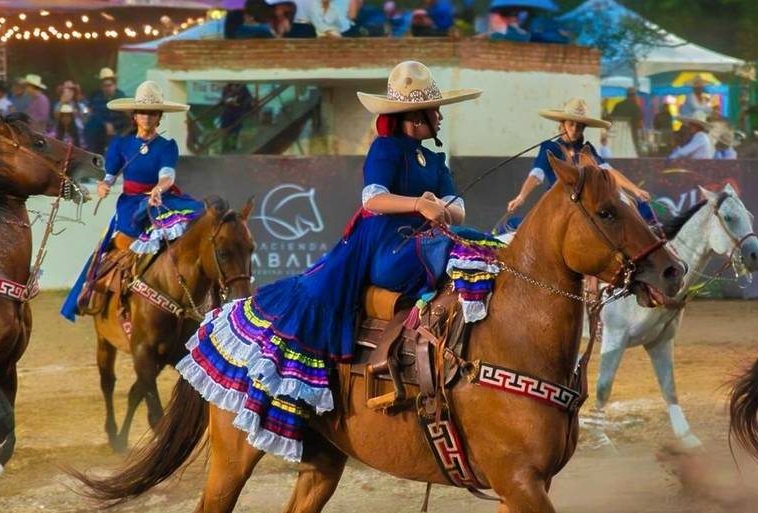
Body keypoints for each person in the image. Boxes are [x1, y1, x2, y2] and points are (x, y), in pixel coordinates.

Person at [175, 61, 500, 460]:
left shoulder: (434, 160)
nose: (440, 115)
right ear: (415, 117)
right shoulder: (385, 148)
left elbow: (459, 208)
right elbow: (372, 199)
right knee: (463, 247)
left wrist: (443, 211)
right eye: (434, 109)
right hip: (385, 246)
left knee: (479, 243)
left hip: (429, 238)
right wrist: (419, 204)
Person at [61, 81, 204, 322]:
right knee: (115, 243)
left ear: (159, 117)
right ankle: (103, 293)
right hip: (130, 204)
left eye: (152, 113)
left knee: (197, 223)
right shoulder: (121, 144)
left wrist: (159, 188)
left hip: (161, 199)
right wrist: (104, 185)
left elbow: (167, 175)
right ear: (134, 116)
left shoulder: (167, 146)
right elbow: (109, 176)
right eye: (142, 112)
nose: (147, 117)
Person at [506, 97, 654, 226]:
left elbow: (608, 171)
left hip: (585, 203)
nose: (575, 129)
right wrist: (521, 196)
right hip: (558, 203)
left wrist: (635, 189)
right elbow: (536, 175)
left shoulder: (587, 149)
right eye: (571, 124)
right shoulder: (549, 147)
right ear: (562, 124)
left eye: (579, 126)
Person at [84, 68, 127, 155]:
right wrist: (105, 124)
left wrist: (114, 126)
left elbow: (125, 117)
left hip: (118, 130)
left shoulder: (120, 97)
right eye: (105, 86)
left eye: (109, 85)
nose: (107, 88)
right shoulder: (96, 96)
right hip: (100, 132)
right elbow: (94, 113)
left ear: (114, 85)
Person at [219, 82, 255, 153]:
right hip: (227, 114)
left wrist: (240, 102)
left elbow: (249, 98)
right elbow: (223, 100)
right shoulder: (226, 88)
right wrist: (227, 102)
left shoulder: (242, 87)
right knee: (226, 132)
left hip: (237, 113)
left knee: (235, 132)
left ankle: (233, 148)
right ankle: (225, 148)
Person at [54, 80, 86, 147]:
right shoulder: (58, 105)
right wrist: (62, 102)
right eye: (66, 91)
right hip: (62, 135)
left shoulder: (80, 105)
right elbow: (56, 117)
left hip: (79, 137)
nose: (68, 93)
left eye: (71, 91)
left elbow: (85, 119)